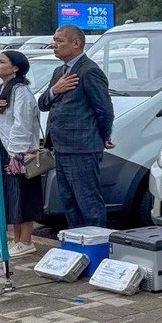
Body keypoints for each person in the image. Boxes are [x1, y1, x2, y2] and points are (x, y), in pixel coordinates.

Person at [38, 25, 114, 229]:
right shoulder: (59, 72)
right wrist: (55, 90)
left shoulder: (89, 71)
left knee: (88, 201)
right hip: (60, 147)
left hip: (82, 147)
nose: (54, 45)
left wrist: (104, 135)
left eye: (59, 41)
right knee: (69, 202)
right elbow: (43, 104)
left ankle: (96, 241)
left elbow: (104, 109)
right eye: (54, 40)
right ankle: (76, 240)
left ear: (76, 43)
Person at [0, 51, 43, 256]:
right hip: (7, 150)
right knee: (12, 196)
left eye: (2, 62)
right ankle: (16, 241)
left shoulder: (21, 90)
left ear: (15, 68)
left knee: (24, 195)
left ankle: (26, 240)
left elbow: (22, 124)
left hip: (19, 152)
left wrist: (17, 154)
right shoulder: (3, 87)